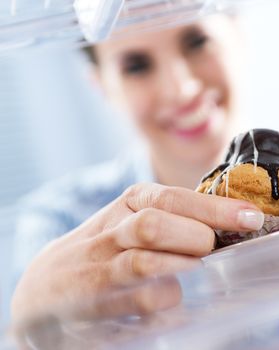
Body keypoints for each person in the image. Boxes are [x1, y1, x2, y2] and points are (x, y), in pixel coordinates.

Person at [11, 14, 265, 324]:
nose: (181, 89)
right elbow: (33, 331)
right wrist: (34, 325)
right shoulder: (59, 221)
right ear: (102, 85)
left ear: (239, 31)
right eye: (137, 66)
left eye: (197, 42)